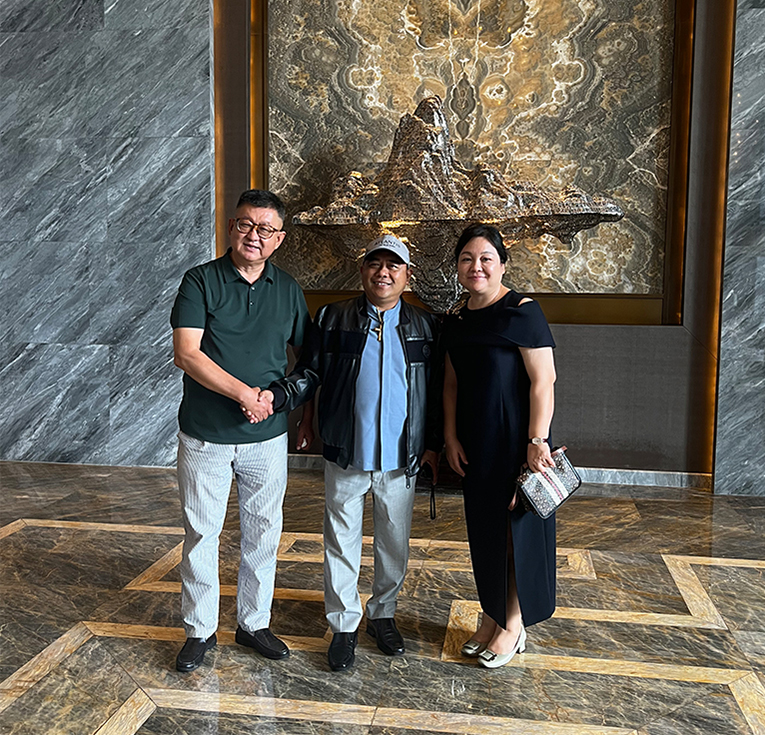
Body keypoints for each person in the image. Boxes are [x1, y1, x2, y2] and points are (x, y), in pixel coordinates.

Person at [254, 234, 440, 672]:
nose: (383, 273)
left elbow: (434, 393)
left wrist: (431, 444)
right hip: (345, 451)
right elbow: (311, 371)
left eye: (393, 265)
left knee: (394, 543)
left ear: (407, 275)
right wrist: (282, 401)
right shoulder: (333, 317)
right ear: (362, 271)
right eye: (375, 264)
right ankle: (343, 625)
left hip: (401, 458)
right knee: (340, 540)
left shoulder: (426, 325)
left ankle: (383, 615)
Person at [170, 189, 312, 672]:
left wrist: (277, 398)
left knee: (264, 534)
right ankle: (199, 630)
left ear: (279, 239)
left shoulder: (288, 289)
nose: (254, 235)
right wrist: (245, 395)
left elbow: (307, 358)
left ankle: (253, 623)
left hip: (266, 439)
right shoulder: (200, 281)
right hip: (205, 436)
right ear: (232, 227)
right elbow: (186, 354)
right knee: (201, 533)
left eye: (265, 229)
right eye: (246, 224)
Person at [442, 222, 557, 669]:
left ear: (503, 264)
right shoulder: (457, 318)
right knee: (484, 533)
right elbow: (451, 384)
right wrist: (450, 436)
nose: (477, 266)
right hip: (476, 442)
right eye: (467, 259)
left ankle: (513, 623)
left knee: (513, 534)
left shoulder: (523, 312)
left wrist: (536, 440)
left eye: (486, 258)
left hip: (517, 442)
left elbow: (544, 381)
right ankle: (491, 615)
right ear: (457, 267)